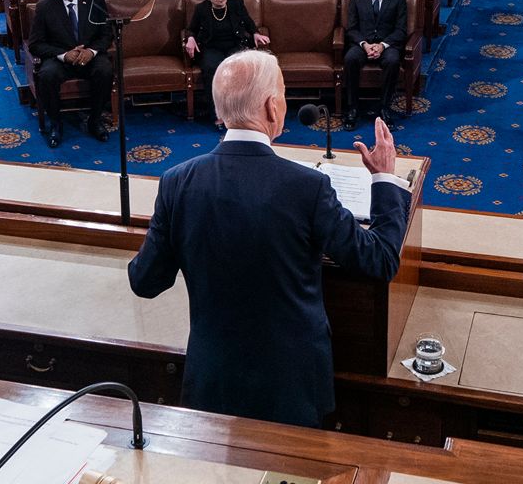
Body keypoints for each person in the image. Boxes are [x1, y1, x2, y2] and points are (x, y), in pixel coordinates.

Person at [128, 47, 409, 427]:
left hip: (214, 378)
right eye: (283, 91)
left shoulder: (177, 182)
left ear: (219, 110)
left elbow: (145, 281)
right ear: (272, 108)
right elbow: (380, 260)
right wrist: (384, 178)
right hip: (290, 386)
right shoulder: (307, 187)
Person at [28, 0, 113, 146]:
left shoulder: (94, 0)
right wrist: (64, 55)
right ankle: (56, 123)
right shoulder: (45, 7)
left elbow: (107, 34)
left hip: (89, 56)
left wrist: (91, 51)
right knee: (46, 75)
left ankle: (95, 120)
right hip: (60, 59)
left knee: (105, 69)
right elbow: (35, 44)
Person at [184, 0, 267, 126]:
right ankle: (218, 113)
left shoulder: (236, 3)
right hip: (211, 47)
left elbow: (248, 21)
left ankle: (241, 111)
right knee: (212, 70)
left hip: (235, 44)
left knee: (240, 68)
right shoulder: (201, 9)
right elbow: (191, 29)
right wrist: (190, 38)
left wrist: (255, 33)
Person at [342, 0, 407, 129]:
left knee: (393, 61)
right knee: (350, 59)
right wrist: (364, 44)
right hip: (362, 44)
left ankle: (385, 108)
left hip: (387, 45)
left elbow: (401, 30)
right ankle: (352, 108)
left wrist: (382, 45)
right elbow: (352, 29)